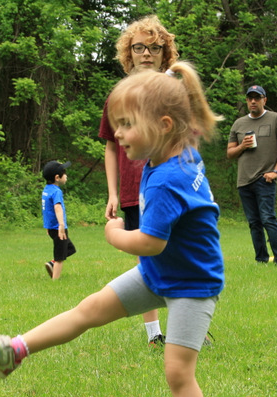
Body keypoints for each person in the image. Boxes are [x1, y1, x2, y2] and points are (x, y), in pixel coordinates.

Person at [0, 62, 223, 397]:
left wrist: (113, 235)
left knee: (177, 372)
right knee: (87, 309)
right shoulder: (176, 150)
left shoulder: (166, 178)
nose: (116, 134)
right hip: (159, 275)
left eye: (125, 124)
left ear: (163, 124)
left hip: (193, 283)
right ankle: (13, 351)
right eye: (116, 124)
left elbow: (151, 243)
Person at [99, 14, 179, 347]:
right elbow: (111, 147)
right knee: (146, 259)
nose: (147, 54)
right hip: (135, 191)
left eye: (155, 48)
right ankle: (154, 335)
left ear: (166, 54)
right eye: (139, 48)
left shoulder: (174, 92)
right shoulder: (118, 98)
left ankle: (184, 331)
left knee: (178, 254)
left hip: (171, 186)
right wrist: (113, 193)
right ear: (128, 54)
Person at [227, 85, 277, 266]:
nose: (253, 101)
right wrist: (242, 146)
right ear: (247, 101)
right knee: (254, 222)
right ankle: (261, 259)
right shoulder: (238, 124)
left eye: (257, 97)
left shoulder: (276, 118)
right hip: (244, 180)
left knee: (268, 218)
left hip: (265, 178)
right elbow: (230, 153)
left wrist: (276, 171)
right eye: (250, 98)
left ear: (265, 100)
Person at [41, 160, 76, 280]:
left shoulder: (46, 190)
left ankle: (51, 264)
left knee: (70, 249)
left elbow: (46, 210)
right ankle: (55, 281)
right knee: (60, 257)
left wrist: (48, 226)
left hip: (52, 228)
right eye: (64, 173)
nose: (66, 176)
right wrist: (61, 225)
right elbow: (57, 207)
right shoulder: (56, 192)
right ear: (57, 177)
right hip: (59, 228)